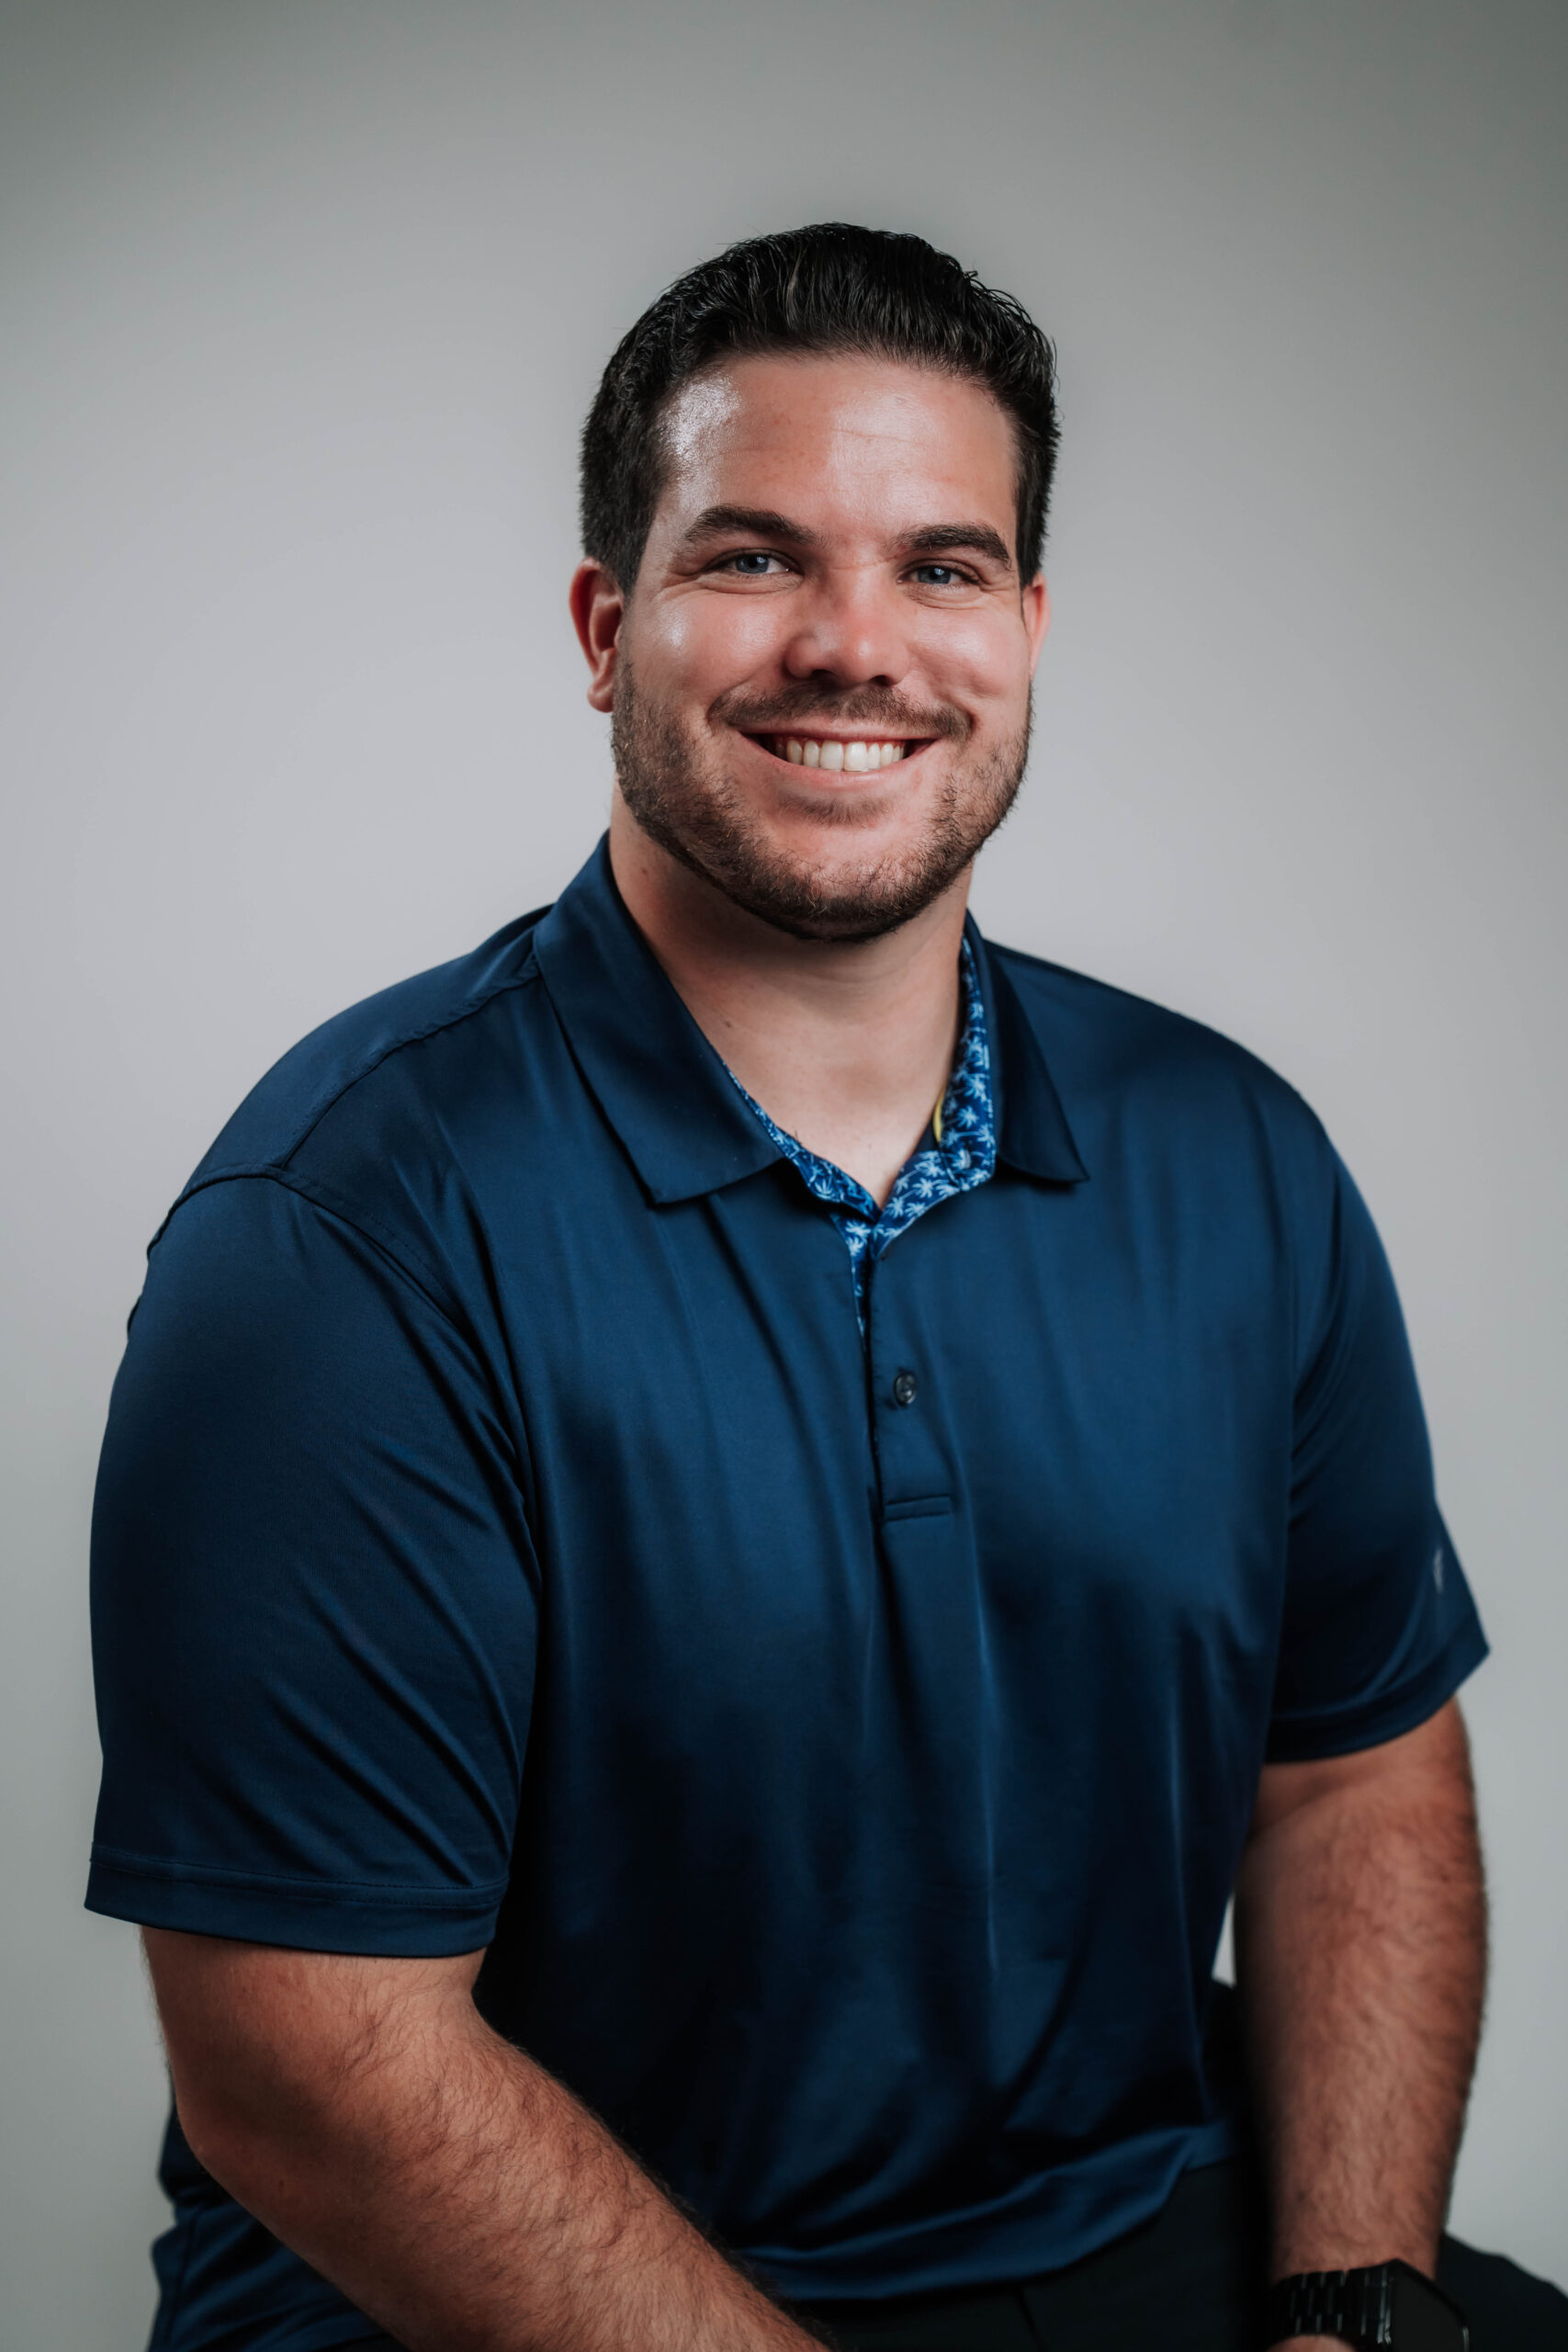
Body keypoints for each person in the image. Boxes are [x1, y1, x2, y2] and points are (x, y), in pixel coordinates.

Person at [86, 224, 1566, 2352]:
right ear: (607, 627)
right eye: (753, 557)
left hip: (1119, 2242)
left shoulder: (1231, 1154)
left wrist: (1347, 2299)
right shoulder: (340, 1238)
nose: (853, 646)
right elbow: (308, 2061)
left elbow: (1346, 1767)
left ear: (1029, 630)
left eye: (941, 567)